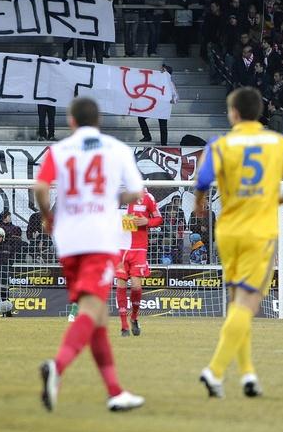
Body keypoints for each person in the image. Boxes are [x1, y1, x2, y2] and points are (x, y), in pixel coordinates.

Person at [33, 96, 145, 412]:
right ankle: (57, 367)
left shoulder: (59, 150)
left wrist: (46, 215)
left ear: (71, 121)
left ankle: (115, 391)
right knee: (92, 311)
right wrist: (113, 195)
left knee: (97, 316)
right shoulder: (117, 149)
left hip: (68, 240)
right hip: (99, 238)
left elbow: (40, 188)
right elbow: (136, 191)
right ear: (99, 120)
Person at [194, 87, 283, 399]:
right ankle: (214, 370)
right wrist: (278, 199)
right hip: (260, 231)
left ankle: (246, 375)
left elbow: (202, 181)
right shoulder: (279, 143)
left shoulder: (221, 143)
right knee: (247, 304)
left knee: (235, 302)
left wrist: (199, 204)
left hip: (228, 230)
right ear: (260, 113)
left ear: (233, 113)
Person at [116, 189, 162, 337]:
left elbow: (159, 219)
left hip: (138, 249)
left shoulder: (147, 197)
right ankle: (123, 326)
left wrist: (147, 221)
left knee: (136, 286)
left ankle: (134, 317)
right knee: (120, 284)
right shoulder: (115, 193)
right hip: (121, 248)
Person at [139, 64, 178, 144]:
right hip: (154, 106)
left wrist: (172, 100)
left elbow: (175, 97)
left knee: (163, 125)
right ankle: (147, 136)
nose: (161, 72)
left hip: (163, 107)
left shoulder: (170, 84)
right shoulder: (156, 81)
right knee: (141, 118)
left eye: (163, 70)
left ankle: (164, 144)